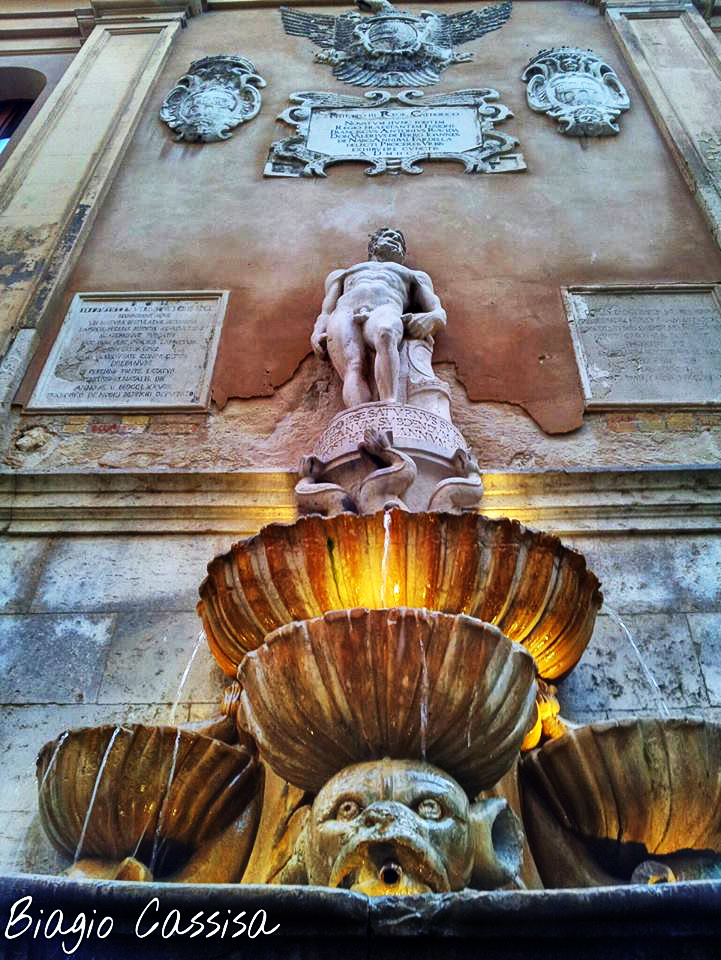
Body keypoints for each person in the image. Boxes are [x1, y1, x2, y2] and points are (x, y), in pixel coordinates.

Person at [311, 228, 447, 407]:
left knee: (386, 332)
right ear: (374, 244)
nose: (395, 239)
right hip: (345, 312)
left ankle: (389, 408)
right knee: (354, 365)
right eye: (389, 236)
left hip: (386, 308)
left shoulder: (414, 275)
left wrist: (432, 319)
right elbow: (326, 311)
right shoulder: (343, 274)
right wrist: (317, 331)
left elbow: (437, 311)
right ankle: (364, 422)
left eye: (399, 240)